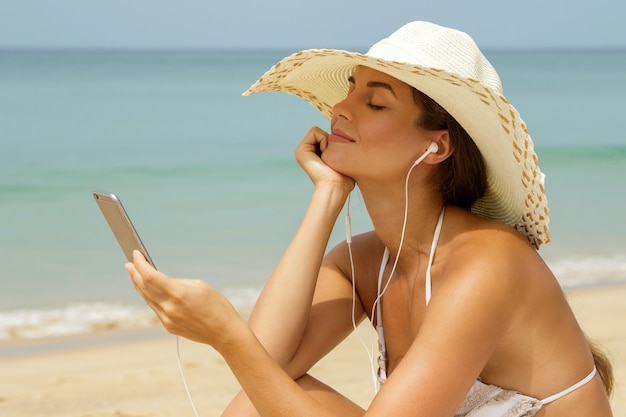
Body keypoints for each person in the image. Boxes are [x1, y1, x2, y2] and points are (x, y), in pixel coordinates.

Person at [125, 21, 614, 416]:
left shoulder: (488, 264)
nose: (340, 109)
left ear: (436, 146)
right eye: (351, 90)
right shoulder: (368, 260)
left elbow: (247, 352)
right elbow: (268, 363)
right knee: (258, 403)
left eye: (375, 102)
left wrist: (226, 333)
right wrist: (327, 195)